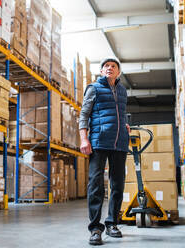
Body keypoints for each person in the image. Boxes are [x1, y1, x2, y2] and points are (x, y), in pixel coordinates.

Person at [79, 57, 130, 245]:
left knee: (118, 185)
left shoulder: (123, 91)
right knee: (95, 185)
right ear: (101, 71)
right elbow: (84, 114)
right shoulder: (94, 88)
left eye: (113, 66)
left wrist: (125, 124)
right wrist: (84, 139)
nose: (109, 68)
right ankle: (94, 228)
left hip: (120, 144)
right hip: (98, 142)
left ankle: (112, 224)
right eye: (106, 66)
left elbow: (120, 112)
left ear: (118, 72)